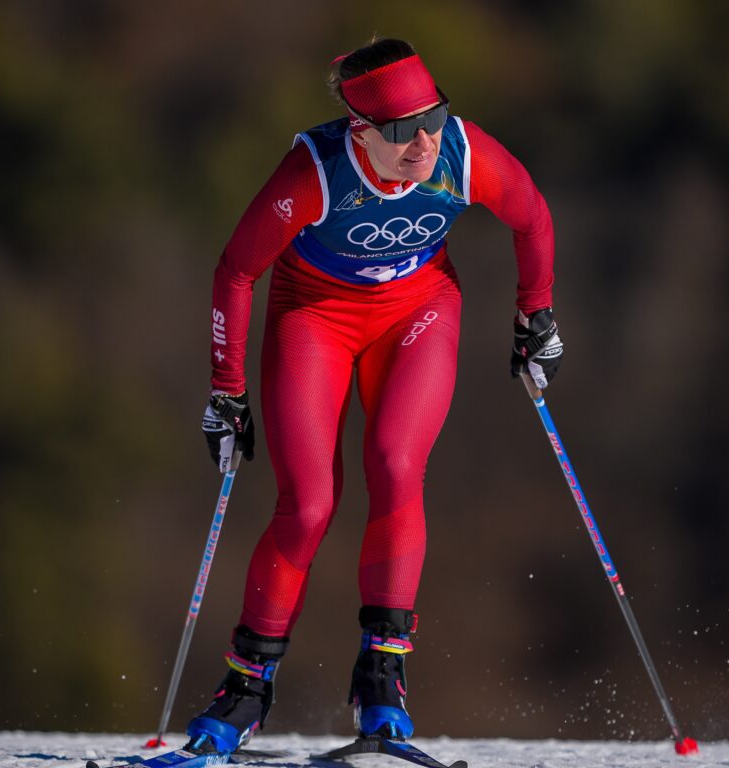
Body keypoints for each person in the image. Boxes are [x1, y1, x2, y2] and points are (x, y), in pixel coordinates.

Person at [185, 37, 563, 754]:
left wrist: (535, 315)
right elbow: (236, 271)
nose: (422, 141)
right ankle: (244, 691)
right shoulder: (317, 171)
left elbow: (532, 216)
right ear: (361, 131)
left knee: (395, 466)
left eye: (433, 116)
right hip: (314, 317)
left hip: (418, 311)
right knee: (309, 505)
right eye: (399, 130)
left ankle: (382, 677)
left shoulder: (461, 153)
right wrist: (226, 392)